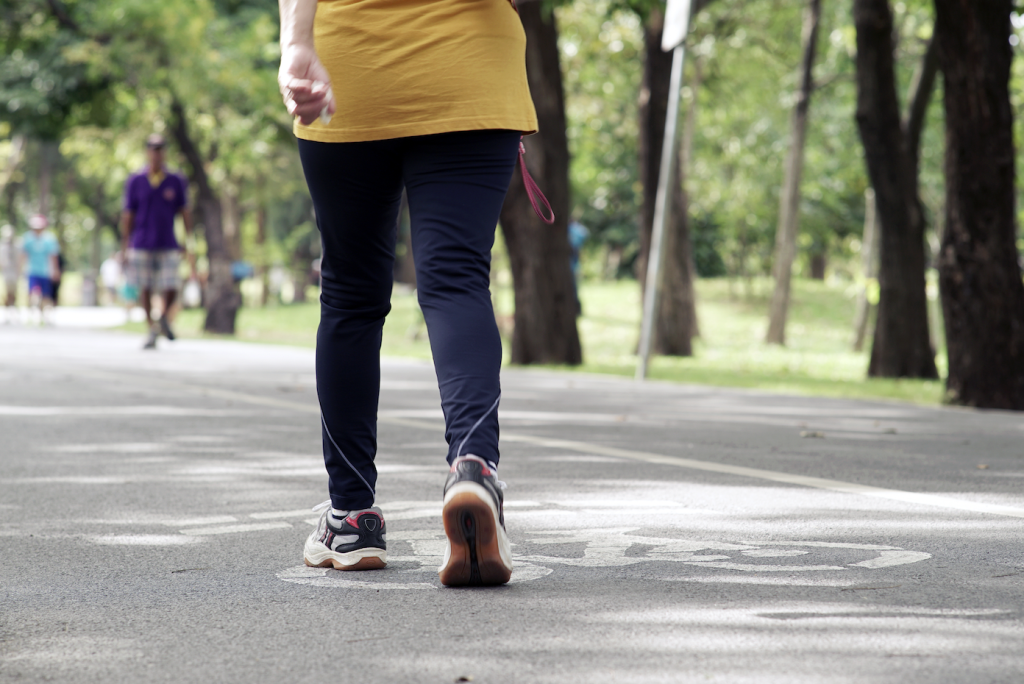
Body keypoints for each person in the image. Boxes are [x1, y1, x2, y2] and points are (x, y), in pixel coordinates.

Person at [278, 0, 537, 586]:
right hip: (471, 71)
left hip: (351, 67)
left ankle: (350, 517)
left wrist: (296, 43)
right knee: (456, 279)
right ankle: (473, 468)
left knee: (349, 294)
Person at [121, 133, 194, 349]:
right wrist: (125, 245)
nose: (157, 152)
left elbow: (185, 212)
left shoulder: (175, 180)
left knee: (171, 285)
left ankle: (162, 318)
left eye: (160, 148)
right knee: (145, 286)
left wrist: (188, 242)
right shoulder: (136, 180)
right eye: (153, 148)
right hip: (141, 242)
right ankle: (152, 327)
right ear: (147, 151)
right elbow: (128, 215)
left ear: (165, 152)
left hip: (168, 241)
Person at [19, 214, 60, 325]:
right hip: (32, 270)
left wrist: (55, 270)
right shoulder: (28, 238)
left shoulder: (49, 239)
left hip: (46, 271)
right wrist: (20, 268)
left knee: (46, 295)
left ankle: (45, 316)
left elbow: (53, 256)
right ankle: (31, 315)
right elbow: (23, 255)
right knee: (32, 293)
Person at [0, 224, 19, 321]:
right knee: (7, 293)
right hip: (6, 273)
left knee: (14, 293)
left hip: (14, 273)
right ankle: (7, 313)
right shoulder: (2, 247)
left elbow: (19, 260)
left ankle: (13, 311)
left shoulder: (17, 246)